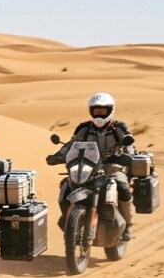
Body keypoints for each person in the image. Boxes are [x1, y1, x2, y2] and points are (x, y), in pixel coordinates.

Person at [47, 91, 136, 239]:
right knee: (66, 187)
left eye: (102, 110)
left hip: (112, 167)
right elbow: (72, 144)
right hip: (87, 166)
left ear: (110, 110)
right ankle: (68, 218)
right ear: (91, 111)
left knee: (122, 186)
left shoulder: (119, 128)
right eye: (96, 110)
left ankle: (127, 225)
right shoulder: (84, 128)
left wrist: (128, 156)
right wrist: (58, 156)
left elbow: (130, 146)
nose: (99, 114)